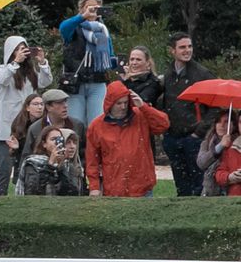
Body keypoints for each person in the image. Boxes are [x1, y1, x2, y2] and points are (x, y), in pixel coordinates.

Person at [85, 80, 170, 197]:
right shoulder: (96, 126)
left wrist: (143, 106)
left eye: (125, 102)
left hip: (142, 187)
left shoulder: (140, 115)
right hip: (114, 189)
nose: (123, 107)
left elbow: (163, 125)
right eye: (119, 103)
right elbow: (92, 161)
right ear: (110, 103)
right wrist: (94, 187)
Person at [0, 35, 51, 195]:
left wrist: (43, 63)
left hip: (28, 127)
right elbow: (2, 80)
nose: (22, 52)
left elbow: (46, 82)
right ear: (11, 52)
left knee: (25, 165)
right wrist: (15, 63)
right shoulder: (2, 69)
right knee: (5, 168)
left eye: (24, 49)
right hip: (7, 129)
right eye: (18, 49)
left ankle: (24, 196)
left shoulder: (30, 73)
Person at [159, 32, 215, 197]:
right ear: (172, 51)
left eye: (189, 46)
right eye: (182, 47)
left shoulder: (202, 74)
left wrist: (199, 132)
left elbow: (216, 106)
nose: (187, 50)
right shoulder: (168, 74)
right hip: (173, 137)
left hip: (194, 139)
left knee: (197, 185)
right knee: (180, 186)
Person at [58, 0, 114, 136]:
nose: (93, 11)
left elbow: (110, 55)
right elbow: (63, 28)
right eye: (90, 7)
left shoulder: (103, 30)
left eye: (96, 8)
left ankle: (93, 155)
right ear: (81, 8)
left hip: (97, 81)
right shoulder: (74, 27)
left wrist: (118, 65)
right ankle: (75, 155)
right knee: (75, 124)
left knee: (97, 124)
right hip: (76, 82)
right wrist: (82, 17)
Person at [20, 124, 83, 196]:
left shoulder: (67, 165)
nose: (57, 143)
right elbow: (32, 192)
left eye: (60, 139)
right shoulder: (33, 163)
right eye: (53, 139)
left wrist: (61, 168)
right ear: (44, 144)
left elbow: (73, 194)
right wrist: (50, 166)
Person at [21, 89, 79, 160]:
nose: (65, 106)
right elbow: (27, 157)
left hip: (71, 169)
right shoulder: (35, 129)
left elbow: (84, 153)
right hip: (43, 169)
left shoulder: (77, 125)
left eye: (65, 102)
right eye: (60, 103)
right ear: (48, 107)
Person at [196, 112, 231, 196]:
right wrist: (220, 147)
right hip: (209, 191)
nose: (222, 125)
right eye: (218, 122)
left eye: (226, 122)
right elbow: (202, 163)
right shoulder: (207, 142)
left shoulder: (238, 143)